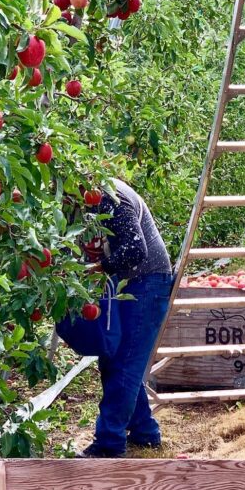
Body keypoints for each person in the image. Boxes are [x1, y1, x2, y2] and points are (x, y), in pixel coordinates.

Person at [79, 179, 173, 458]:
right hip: (127, 282)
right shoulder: (85, 199)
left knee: (125, 361)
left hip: (148, 280)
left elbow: (135, 249)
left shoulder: (109, 196)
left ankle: (109, 443)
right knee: (115, 357)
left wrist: (97, 268)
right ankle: (144, 431)